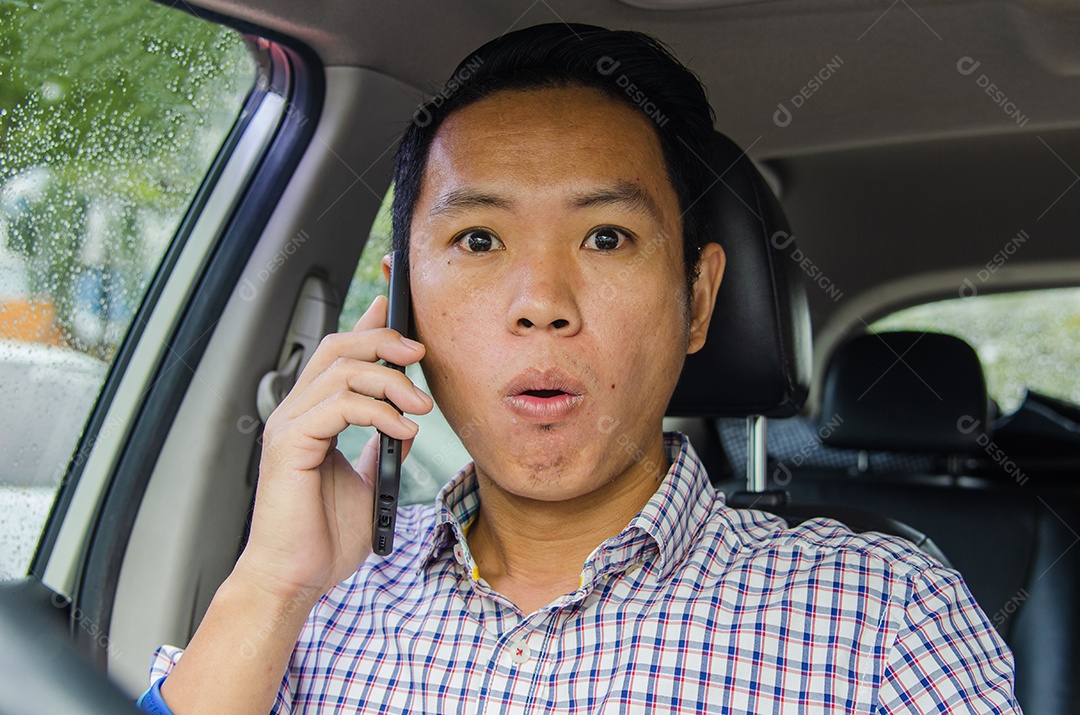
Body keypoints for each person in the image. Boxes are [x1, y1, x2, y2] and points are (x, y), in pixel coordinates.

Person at [138, 22, 1021, 714]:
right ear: (403, 303)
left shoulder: (883, 615)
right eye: (478, 239)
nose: (542, 301)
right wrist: (271, 583)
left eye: (606, 236)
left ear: (699, 302)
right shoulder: (311, 597)